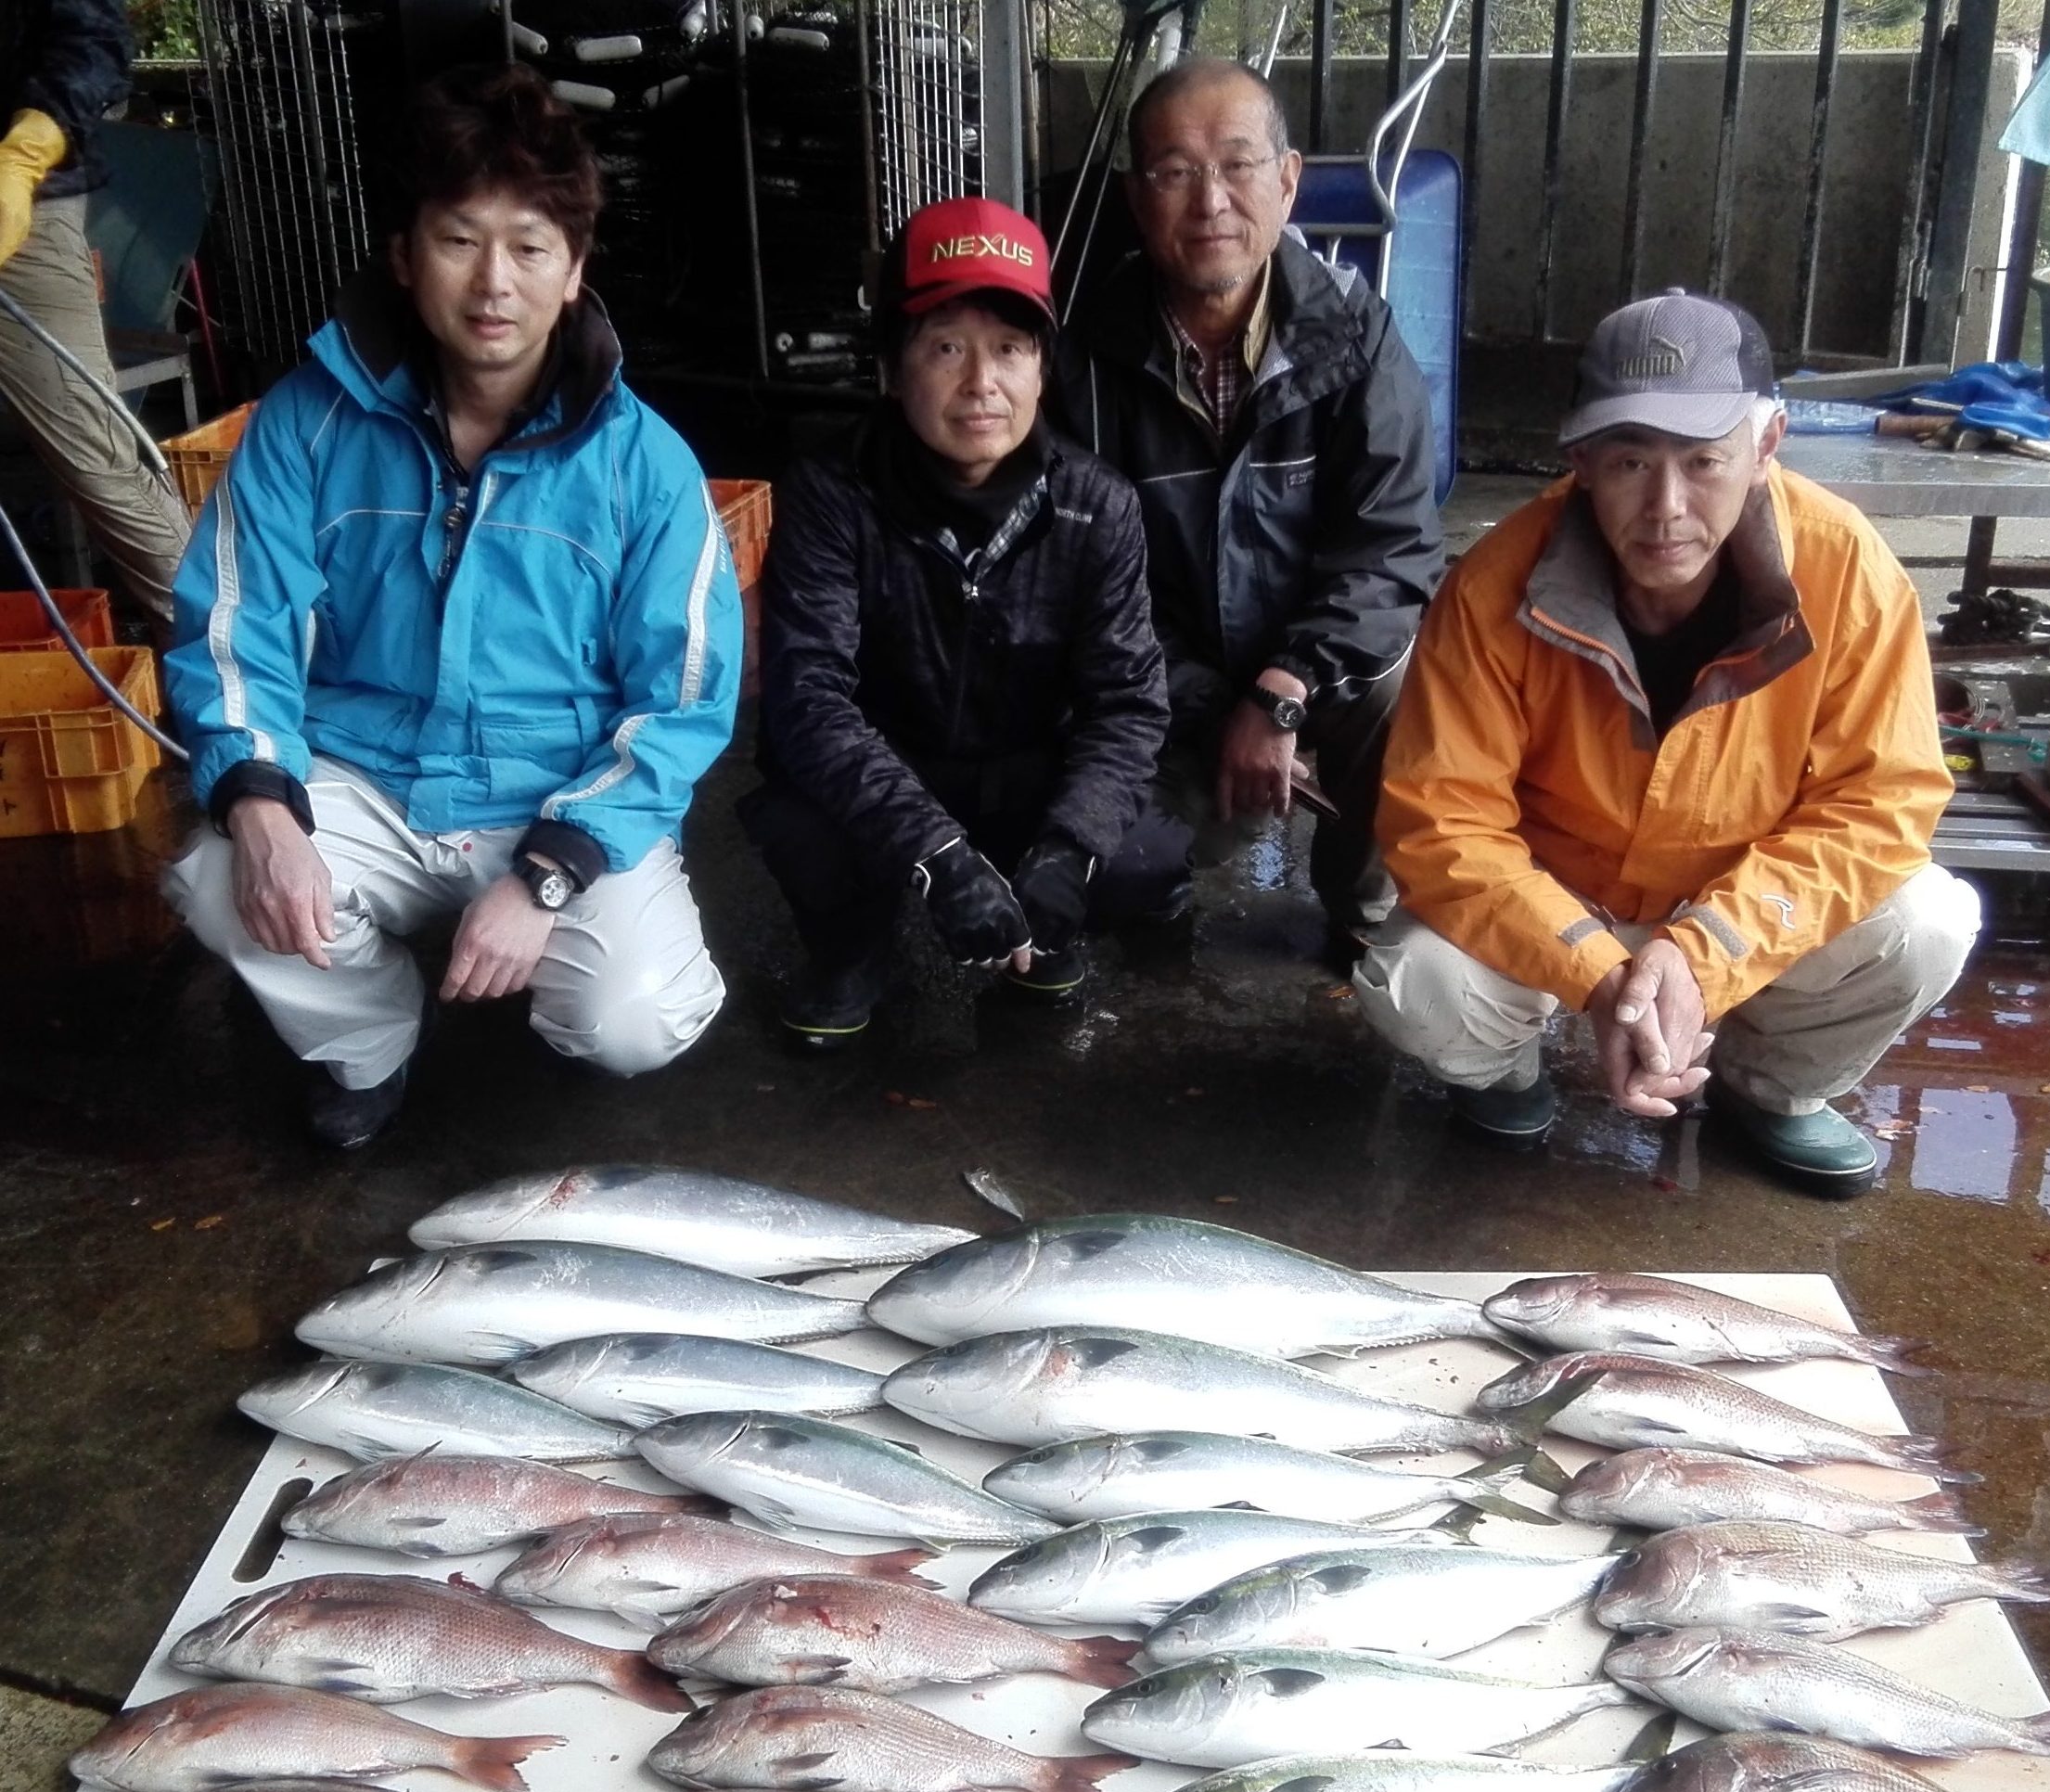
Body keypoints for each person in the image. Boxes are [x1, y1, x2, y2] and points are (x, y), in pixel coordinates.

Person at [162, 65, 739, 1148]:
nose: (493, 282)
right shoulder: (306, 427)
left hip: (554, 797)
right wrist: (262, 808)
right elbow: (236, 634)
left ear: (574, 274)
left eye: (530, 247)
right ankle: (371, 1035)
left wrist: (552, 873)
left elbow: (681, 705)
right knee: (214, 870)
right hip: (364, 778)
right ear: (402, 256)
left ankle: (537, 966)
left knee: (633, 1020)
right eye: (459, 238)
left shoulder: (645, 466)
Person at [1353, 290, 1981, 1197]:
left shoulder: (1849, 569)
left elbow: (1883, 806)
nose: (1666, 507)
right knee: (1414, 979)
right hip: (1566, 906)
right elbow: (1441, 827)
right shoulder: (1493, 587)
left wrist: (1700, 951)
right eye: (1632, 461)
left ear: (1767, 447)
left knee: (1930, 922)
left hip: (1743, 904)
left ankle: (1768, 1087)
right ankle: (1504, 1074)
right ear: (1578, 461)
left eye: (1704, 460)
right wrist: (1602, 974)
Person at [748, 195, 1177, 1047]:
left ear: (1042, 368)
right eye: (946, 347)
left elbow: (1126, 704)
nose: (982, 384)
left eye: (1010, 349)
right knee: (801, 824)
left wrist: (1070, 845)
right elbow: (808, 700)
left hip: (1024, 771)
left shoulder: (1100, 504)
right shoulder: (830, 492)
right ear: (890, 366)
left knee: (1142, 856)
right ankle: (851, 948)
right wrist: (936, 852)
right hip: (885, 770)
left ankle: (1037, 922)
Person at [1053, 57, 1443, 958]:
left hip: (1313, 671)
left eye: (1237, 164)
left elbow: (1392, 549)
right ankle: (1154, 878)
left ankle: (1363, 904)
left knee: (1413, 681)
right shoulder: (1086, 354)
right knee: (1105, 863)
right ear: (1133, 194)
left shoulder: (1357, 334)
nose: (1211, 202)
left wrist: (1283, 692)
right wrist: (1206, 701)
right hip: (1165, 683)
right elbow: (1085, 584)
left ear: (1288, 179)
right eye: (1175, 171)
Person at [0, 0, 190, 629]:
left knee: (102, 462)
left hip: (16, 205)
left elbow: (90, 36)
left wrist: (25, 152)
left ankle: (235, 672)